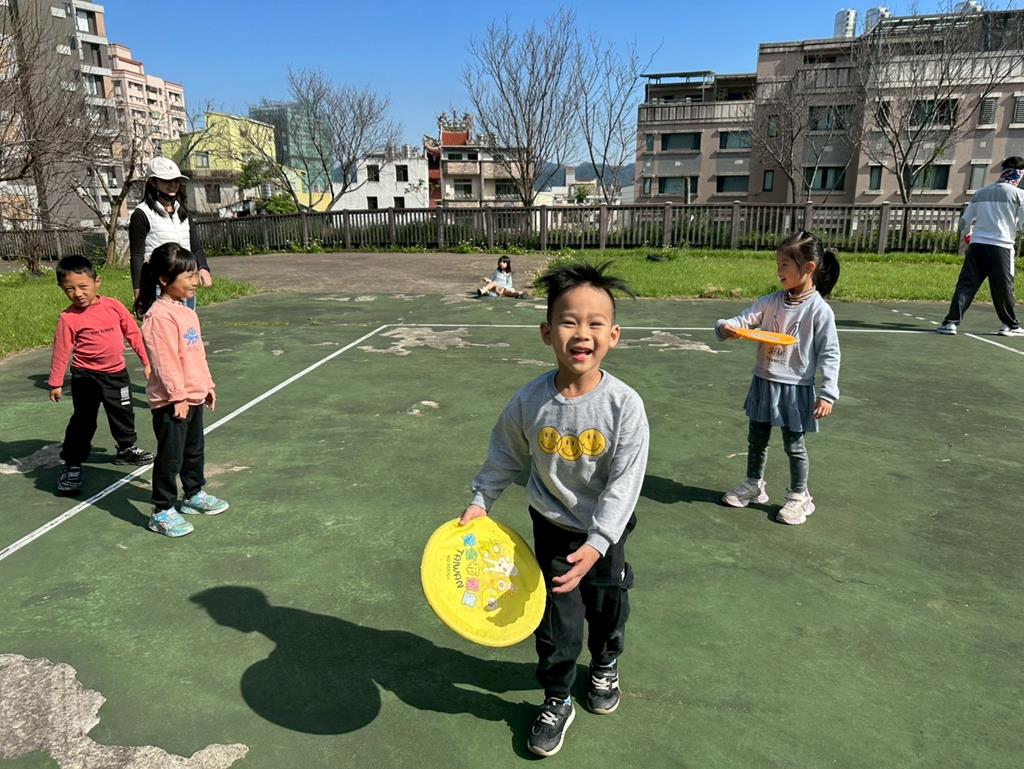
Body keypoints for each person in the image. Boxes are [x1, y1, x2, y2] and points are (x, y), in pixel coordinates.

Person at [459, 261, 649, 757]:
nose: (581, 333)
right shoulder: (530, 401)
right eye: (568, 321)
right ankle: (557, 695)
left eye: (595, 323)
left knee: (607, 606)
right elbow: (504, 454)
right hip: (552, 529)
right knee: (556, 621)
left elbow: (626, 483)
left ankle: (604, 664)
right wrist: (481, 501)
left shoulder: (625, 406)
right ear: (547, 333)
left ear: (613, 336)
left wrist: (599, 542)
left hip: (605, 535)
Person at [717, 231, 841, 525]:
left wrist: (827, 393)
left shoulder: (819, 310)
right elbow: (743, 319)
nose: (778, 270)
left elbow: (830, 353)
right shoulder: (771, 301)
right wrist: (726, 327)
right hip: (764, 381)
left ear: (808, 267)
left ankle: (799, 495)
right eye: (778, 264)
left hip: (796, 388)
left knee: (794, 445)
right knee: (756, 439)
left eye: (785, 264)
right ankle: (754, 485)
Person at [135, 243, 228, 537]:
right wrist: (178, 396)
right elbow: (165, 362)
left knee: (193, 450)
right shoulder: (159, 316)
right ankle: (161, 510)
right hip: (172, 401)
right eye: (187, 277)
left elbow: (197, 354)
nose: (195, 281)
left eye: (195, 275)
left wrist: (207, 385)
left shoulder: (187, 312)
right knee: (170, 457)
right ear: (165, 280)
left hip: (193, 396)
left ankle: (193, 494)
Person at [47, 255, 155, 494]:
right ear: (61, 289)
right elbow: (61, 351)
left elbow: (133, 334)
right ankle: (73, 465)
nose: (77, 293)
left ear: (97, 282)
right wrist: (55, 382)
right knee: (83, 421)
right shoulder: (68, 318)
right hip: (85, 377)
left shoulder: (113, 306)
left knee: (123, 413)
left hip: (116, 374)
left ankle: (126, 449)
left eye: (83, 286)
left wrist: (147, 362)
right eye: (69, 289)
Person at [938, 156, 1024, 337]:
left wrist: (968, 236)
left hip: (977, 246)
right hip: (1002, 246)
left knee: (966, 285)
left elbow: (964, 222)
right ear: (1020, 174)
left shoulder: (981, 192)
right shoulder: (1019, 195)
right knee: (1003, 287)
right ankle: (1010, 325)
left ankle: (950, 323)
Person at [129, 157, 213, 312]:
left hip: (184, 281)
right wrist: (138, 290)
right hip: (159, 285)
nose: (173, 184)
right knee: (163, 324)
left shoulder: (182, 211)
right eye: (166, 180)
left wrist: (203, 268)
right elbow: (136, 255)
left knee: (186, 322)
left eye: (176, 180)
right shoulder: (142, 213)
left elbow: (195, 247)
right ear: (153, 182)